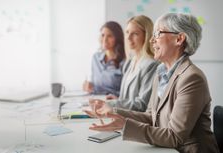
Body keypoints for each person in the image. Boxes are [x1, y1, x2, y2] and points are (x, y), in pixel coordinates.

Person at [85, 13, 220, 153]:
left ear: (179, 39)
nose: (151, 41)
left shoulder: (191, 78)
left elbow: (174, 136)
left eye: (158, 34)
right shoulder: (161, 72)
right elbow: (151, 117)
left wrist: (125, 125)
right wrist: (113, 112)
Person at [88, 15, 159, 112]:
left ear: (146, 36)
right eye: (127, 32)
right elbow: (126, 98)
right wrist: (118, 100)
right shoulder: (130, 61)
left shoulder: (151, 65)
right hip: (122, 116)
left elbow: (142, 104)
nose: (129, 37)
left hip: (135, 122)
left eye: (135, 34)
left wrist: (111, 104)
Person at [83, 21, 125, 96]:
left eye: (109, 36)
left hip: (113, 103)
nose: (105, 39)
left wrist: (113, 96)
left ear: (117, 38)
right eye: (102, 35)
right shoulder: (95, 58)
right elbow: (95, 85)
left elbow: (126, 93)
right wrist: (89, 86)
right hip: (94, 100)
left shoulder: (124, 61)